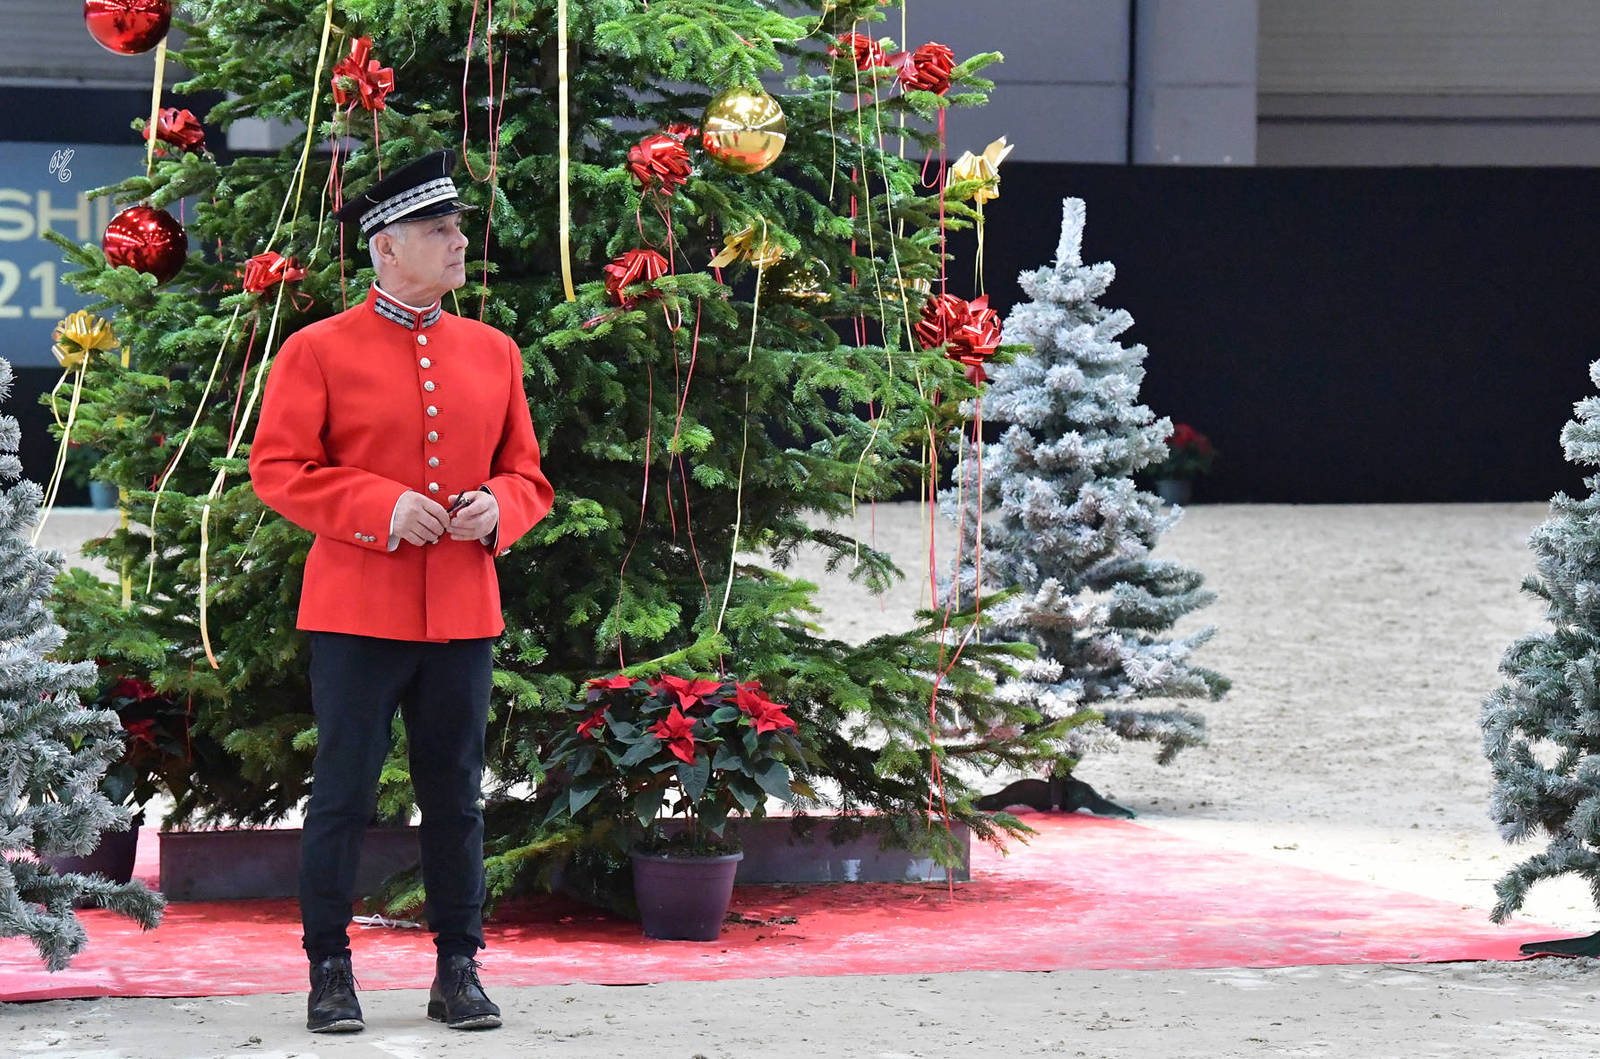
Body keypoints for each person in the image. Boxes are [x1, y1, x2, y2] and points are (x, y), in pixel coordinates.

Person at [249, 149, 554, 1034]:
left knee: (455, 796)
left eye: (457, 227)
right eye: (439, 230)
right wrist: (381, 507)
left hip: (463, 609)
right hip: (356, 611)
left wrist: (498, 507)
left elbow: (528, 476)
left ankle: (458, 967)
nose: (459, 242)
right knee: (342, 793)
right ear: (385, 247)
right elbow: (278, 469)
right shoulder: (316, 350)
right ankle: (329, 971)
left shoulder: (494, 351)